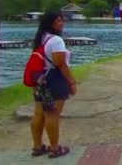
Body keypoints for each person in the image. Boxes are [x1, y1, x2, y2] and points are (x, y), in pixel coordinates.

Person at [30, 13, 75, 159]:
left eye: (62, 20)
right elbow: (60, 63)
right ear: (50, 23)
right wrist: (71, 82)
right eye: (58, 20)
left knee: (39, 113)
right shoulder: (56, 40)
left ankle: (38, 146)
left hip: (39, 77)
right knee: (52, 114)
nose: (61, 23)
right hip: (54, 78)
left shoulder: (40, 38)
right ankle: (55, 148)